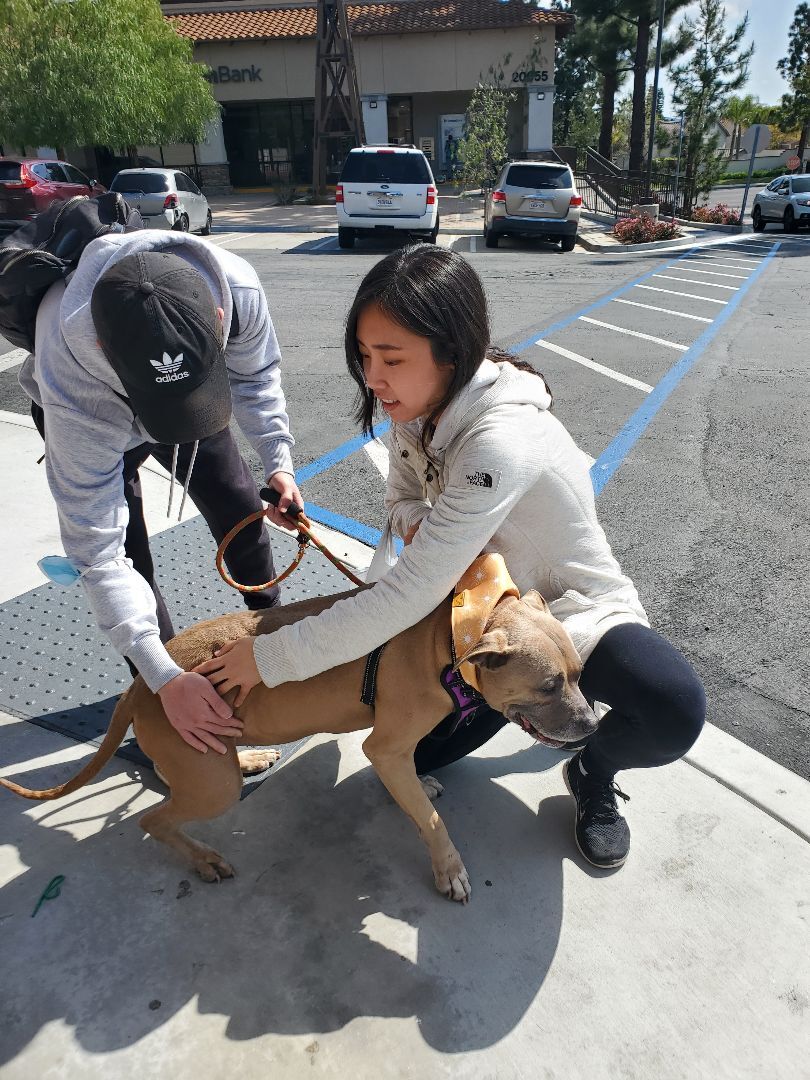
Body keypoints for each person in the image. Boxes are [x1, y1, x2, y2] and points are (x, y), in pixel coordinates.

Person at [196, 244, 705, 870]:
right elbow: (403, 501)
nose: (371, 377)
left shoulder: (501, 439)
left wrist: (272, 657)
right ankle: (517, 701)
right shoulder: (417, 411)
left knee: (675, 708)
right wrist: (429, 528)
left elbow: (405, 594)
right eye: (364, 355)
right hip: (475, 628)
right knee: (410, 756)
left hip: (564, 613)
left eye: (391, 358)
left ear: (452, 353)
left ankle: (593, 773)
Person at [21, 231, 303, 756]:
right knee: (132, 560)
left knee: (241, 509)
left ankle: (269, 638)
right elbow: (98, 555)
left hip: (176, 384)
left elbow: (257, 376)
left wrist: (278, 464)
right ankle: (174, 699)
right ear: (104, 347)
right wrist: (163, 675)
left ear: (217, 320)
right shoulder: (72, 382)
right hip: (105, 411)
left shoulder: (236, 286)